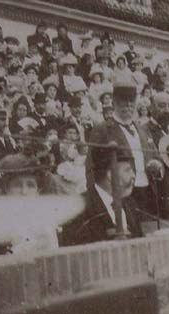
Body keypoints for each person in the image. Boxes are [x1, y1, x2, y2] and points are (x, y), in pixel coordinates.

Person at [86, 84, 162, 217]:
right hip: (120, 192)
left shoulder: (142, 128)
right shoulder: (102, 129)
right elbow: (91, 165)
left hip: (148, 190)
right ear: (114, 102)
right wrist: (96, 199)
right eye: (123, 101)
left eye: (131, 101)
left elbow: (156, 155)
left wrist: (157, 164)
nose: (128, 105)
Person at [60, 139, 143, 246]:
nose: (133, 175)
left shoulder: (131, 204)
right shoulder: (78, 208)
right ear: (110, 175)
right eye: (127, 170)